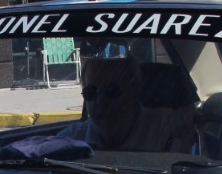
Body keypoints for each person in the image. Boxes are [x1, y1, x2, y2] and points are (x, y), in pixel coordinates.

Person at [58, 56, 194, 152]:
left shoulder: (171, 130)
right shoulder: (71, 140)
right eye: (91, 92)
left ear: (135, 90)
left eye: (112, 90)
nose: (101, 101)